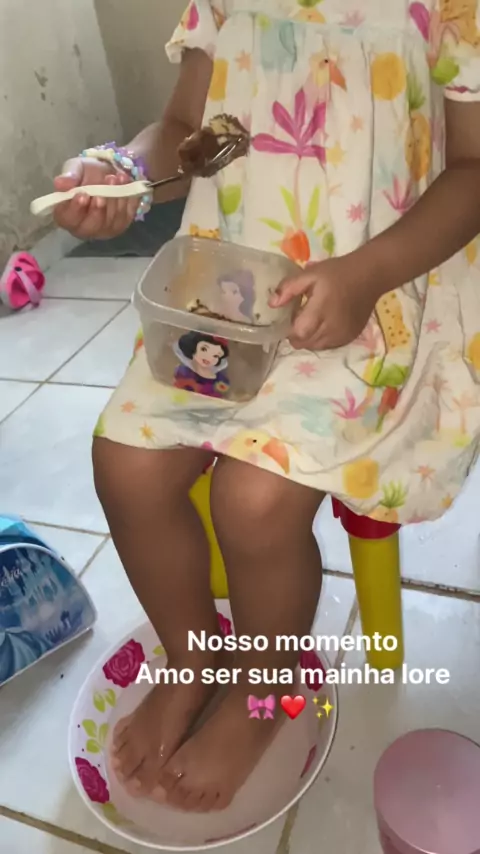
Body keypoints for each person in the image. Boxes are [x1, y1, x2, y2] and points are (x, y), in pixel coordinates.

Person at [54, 0, 480, 812]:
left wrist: (365, 275)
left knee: (252, 501)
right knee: (124, 464)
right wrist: (126, 172)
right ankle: (194, 656)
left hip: (374, 297)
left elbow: (474, 167)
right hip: (223, 296)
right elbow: (182, 127)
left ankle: (266, 685)